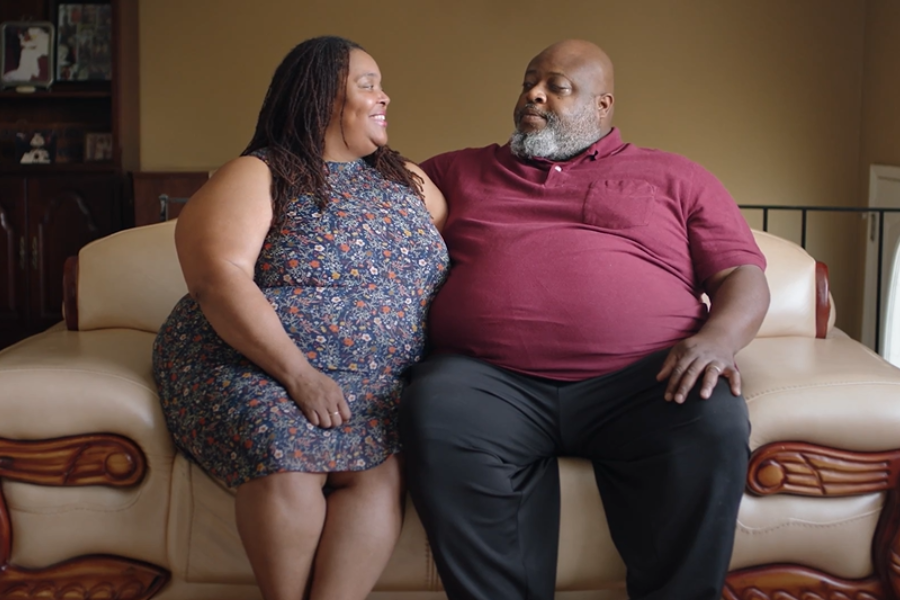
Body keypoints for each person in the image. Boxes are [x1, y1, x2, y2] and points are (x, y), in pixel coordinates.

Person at [400, 39, 770, 600]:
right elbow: (369, 215)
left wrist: (719, 340)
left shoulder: (676, 176)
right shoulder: (456, 172)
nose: (534, 94)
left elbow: (741, 275)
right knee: (434, 406)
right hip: (489, 382)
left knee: (712, 417)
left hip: (645, 380)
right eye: (529, 81)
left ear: (603, 105)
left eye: (557, 86)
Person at [152, 36, 449, 600]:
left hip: (375, 380)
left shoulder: (408, 181)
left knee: (380, 471)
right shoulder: (260, 173)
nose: (385, 96)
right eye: (368, 84)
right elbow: (218, 278)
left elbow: (473, 250)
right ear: (320, 98)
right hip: (253, 363)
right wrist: (299, 374)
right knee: (288, 456)